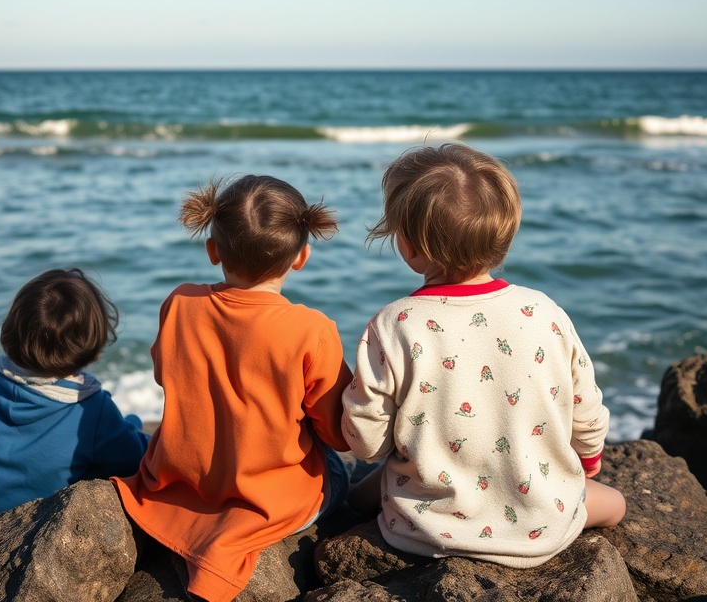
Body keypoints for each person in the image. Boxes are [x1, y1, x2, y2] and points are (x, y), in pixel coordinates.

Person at [342, 143, 626, 568]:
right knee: (616, 505)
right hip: (539, 524)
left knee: (364, 488)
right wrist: (587, 462)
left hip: (427, 527)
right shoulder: (543, 311)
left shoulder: (395, 323)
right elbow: (585, 411)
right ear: (504, 236)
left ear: (409, 246)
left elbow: (366, 442)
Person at [113, 175, 353, 602]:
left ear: (213, 251)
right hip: (270, 501)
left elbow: (164, 372)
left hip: (175, 485)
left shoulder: (179, 303)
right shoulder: (312, 330)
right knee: (341, 472)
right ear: (302, 257)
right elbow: (338, 432)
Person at [0, 268, 149, 524]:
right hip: (36, 535)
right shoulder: (91, 409)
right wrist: (133, 425)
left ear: (12, 329)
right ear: (91, 345)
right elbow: (133, 460)